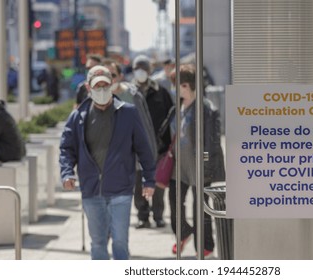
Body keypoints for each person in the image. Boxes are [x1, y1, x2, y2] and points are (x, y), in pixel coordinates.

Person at [59, 65, 156, 260]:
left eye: (105, 85)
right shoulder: (78, 117)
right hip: (91, 190)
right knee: (98, 243)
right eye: (97, 86)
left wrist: (149, 180)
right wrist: (67, 172)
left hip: (121, 190)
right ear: (89, 87)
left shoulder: (128, 113)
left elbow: (144, 149)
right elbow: (67, 149)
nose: (102, 90)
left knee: (120, 242)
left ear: (112, 85)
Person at [168, 64, 225, 257]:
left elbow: (212, 141)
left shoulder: (206, 108)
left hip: (199, 165)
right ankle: (184, 232)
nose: (178, 88)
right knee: (175, 203)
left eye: (181, 84)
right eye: (176, 84)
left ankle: (205, 245)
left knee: (200, 207)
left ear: (191, 85)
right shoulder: (177, 108)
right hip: (178, 166)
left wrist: (207, 166)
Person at [131, 54, 174, 229]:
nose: (140, 71)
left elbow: (171, 115)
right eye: (137, 68)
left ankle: (158, 215)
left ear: (150, 71)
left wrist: (167, 142)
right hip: (135, 147)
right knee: (138, 183)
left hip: (159, 146)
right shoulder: (129, 91)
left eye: (144, 67)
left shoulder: (161, 92)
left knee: (157, 183)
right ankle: (143, 216)